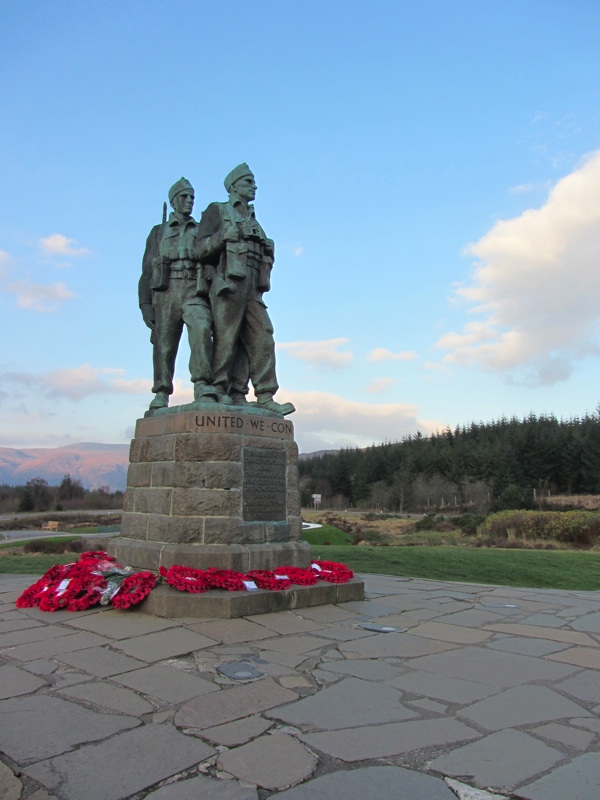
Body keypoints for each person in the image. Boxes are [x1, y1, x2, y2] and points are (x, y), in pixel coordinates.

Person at [197, 164, 295, 415]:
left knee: (263, 335)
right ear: (233, 186)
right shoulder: (217, 210)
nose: (254, 186)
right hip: (229, 282)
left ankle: (262, 394)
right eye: (249, 182)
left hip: (253, 286)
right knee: (226, 336)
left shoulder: (254, 218)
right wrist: (223, 236)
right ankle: (221, 389)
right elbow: (199, 250)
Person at [139, 178, 218, 410]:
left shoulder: (200, 228)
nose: (189, 201)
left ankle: (202, 384)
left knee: (202, 328)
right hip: (166, 292)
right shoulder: (159, 232)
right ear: (173, 201)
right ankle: (162, 391)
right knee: (164, 344)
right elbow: (145, 272)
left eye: (192, 197)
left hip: (194, 289)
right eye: (184, 197)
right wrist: (145, 304)